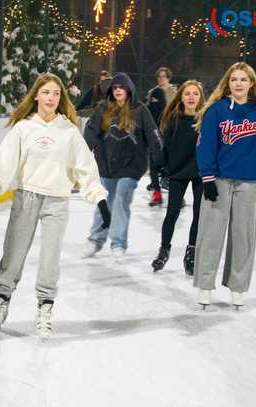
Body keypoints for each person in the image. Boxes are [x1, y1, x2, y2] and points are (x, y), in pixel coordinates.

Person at [0, 73, 110, 339]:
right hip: (27, 197)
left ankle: (44, 309)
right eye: (46, 92)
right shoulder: (24, 128)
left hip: (57, 200)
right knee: (13, 254)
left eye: (56, 94)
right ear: (36, 95)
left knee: (50, 259)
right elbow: (4, 163)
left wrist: (99, 197)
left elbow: (85, 168)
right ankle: (0, 305)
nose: (51, 98)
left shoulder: (68, 131)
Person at [194, 62, 256, 309]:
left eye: (244, 79)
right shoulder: (217, 111)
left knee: (244, 237)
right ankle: (204, 285)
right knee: (210, 235)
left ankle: (238, 287)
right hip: (220, 181)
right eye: (234, 79)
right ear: (228, 83)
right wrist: (208, 178)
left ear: (252, 83)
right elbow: (206, 145)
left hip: (251, 182)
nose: (239, 83)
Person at [82, 72, 163, 258]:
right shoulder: (103, 109)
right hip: (107, 165)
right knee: (105, 202)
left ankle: (118, 242)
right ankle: (95, 240)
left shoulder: (140, 110)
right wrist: (85, 154)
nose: (118, 90)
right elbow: (91, 132)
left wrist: (161, 160)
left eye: (122, 87)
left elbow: (153, 135)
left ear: (129, 90)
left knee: (120, 200)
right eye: (115, 88)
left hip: (132, 166)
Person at [150, 80, 206, 275]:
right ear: (181, 97)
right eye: (187, 93)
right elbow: (165, 149)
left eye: (195, 93)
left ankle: (191, 252)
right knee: (171, 213)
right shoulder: (173, 120)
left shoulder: (206, 120)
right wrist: (162, 171)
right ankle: (164, 249)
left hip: (201, 173)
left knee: (199, 215)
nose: (191, 97)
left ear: (201, 97)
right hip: (178, 173)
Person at [146, 67, 178, 206]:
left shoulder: (174, 92)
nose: (161, 78)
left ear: (168, 77)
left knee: (171, 162)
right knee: (153, 161)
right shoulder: (152, 92)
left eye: (164, 76)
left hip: (169, 130)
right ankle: (157, 193)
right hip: (155, 130)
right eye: (159, 76)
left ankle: (177, 194)